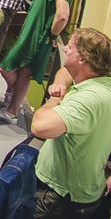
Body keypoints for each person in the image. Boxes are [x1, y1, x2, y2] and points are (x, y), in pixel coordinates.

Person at [30, 28, 111, 218]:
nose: (65, 49)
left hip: (58, 196)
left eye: (70, 46)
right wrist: (60, 84)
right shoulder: (100, 82)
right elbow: (65, 71)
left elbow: (39, 127)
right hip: (84, 192)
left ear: (82, 59)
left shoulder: (88, 99)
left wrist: (53, 100)